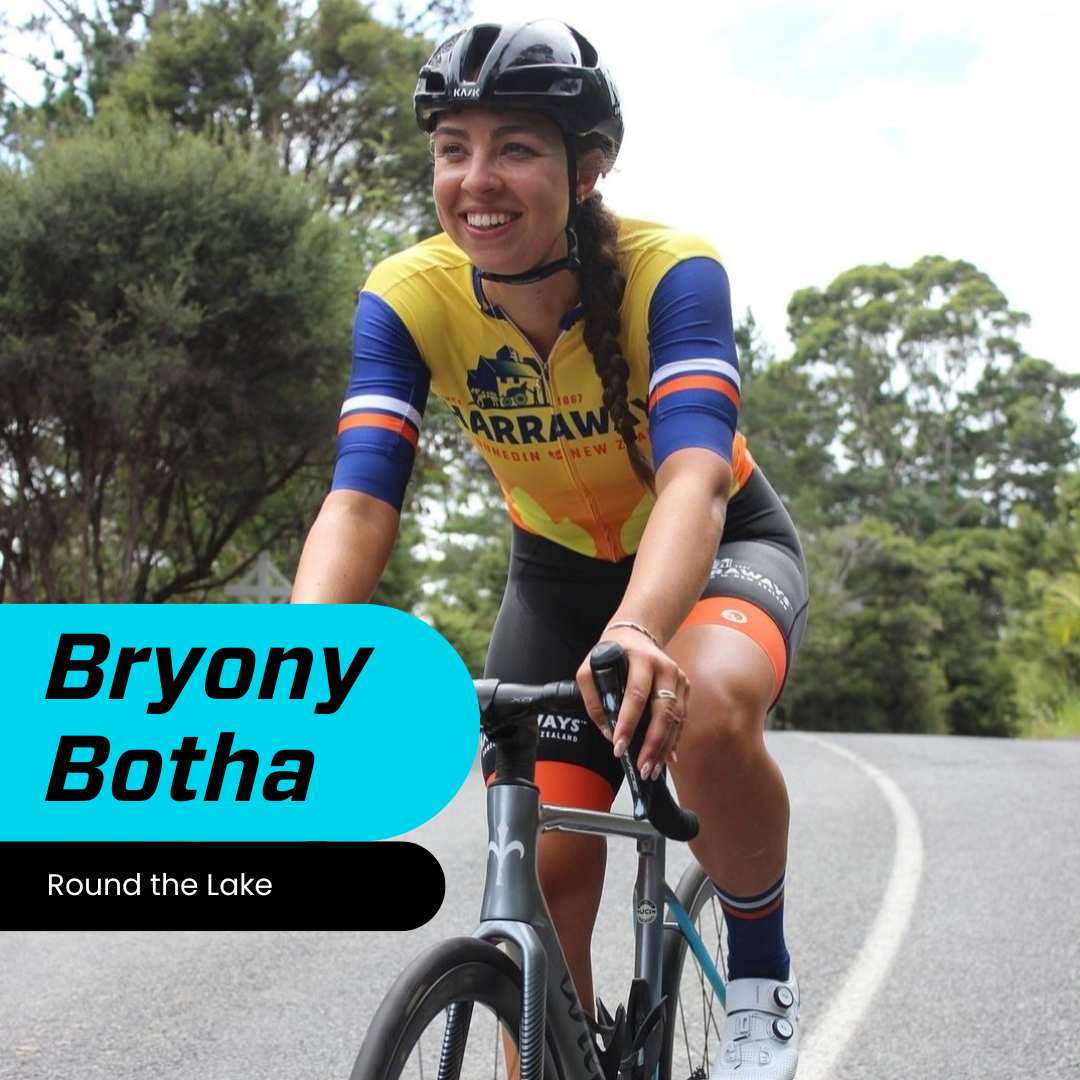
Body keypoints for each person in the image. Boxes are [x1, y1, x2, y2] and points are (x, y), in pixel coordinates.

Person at [292, 19, 810, 1079]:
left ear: (588, 167)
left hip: (715, 549)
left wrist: (642, 627)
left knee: (709, 713)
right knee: (545, 878)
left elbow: (696, 478)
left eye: (515, 147)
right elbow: (360, 500)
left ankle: (761, 976)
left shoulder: (674, 272)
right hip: (556, 580)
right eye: (453, 148)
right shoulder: (409, 296)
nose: (476, 179)